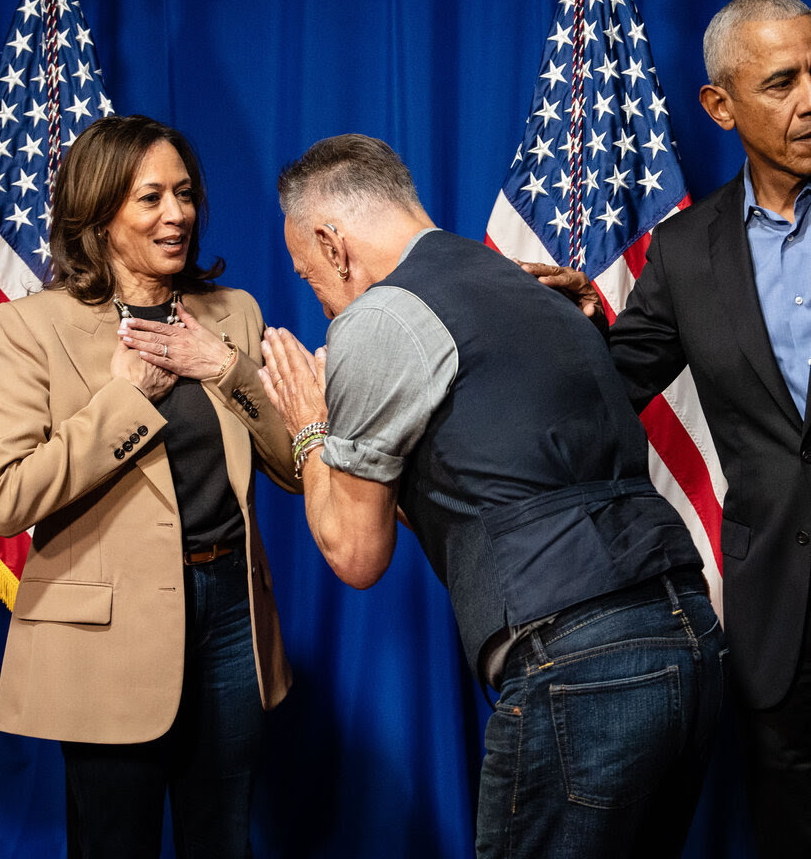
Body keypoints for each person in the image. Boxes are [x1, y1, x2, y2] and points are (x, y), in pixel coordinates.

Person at [525, 0, 811, 857]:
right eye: (781, 83)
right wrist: (547, 325)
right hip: (773, 609)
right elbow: (609, 383)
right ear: (720, 106)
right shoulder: (683, 252)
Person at [258, 133, 725, 858]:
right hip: (687, 634)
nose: (318, 298)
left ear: (333, 242)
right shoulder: (524, 284)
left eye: (310, 274)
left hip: (580, 659)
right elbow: (489, 483)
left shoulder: (379, 318)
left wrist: (311, 429)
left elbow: (354, 554)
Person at [0, 114, 299, 858]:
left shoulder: (233, 314)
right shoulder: (34, 326)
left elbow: (293, 465)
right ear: (99, 214)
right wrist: (125, 399)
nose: (176, 214)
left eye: (184, 194)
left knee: (222, 839)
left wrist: (224, 369)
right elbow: (7, 496)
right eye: (150, 198)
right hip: (107, 634)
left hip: (229, 614)